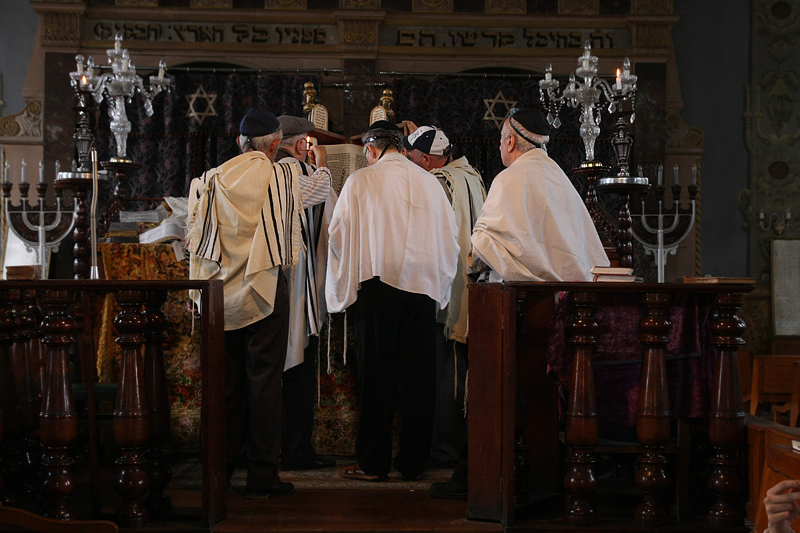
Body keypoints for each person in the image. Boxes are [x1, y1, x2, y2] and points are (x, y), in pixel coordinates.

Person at [430, 108, 609, 500]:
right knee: (539, 399)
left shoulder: (511, 178)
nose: (499, 146)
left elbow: (486, 245)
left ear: (510, 141)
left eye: (500, 140)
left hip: (518, 309)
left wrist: (473, 259)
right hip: (560, 310)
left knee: (497, 392)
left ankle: (484, 477)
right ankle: (539, 479)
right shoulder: (558, 178)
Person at [326, 120, 460, 482]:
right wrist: (440, 284)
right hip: (422, 287)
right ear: (399, 146)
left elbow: (337, 234)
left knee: (377, 379)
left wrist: (344, 281)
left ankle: (373, 463)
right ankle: (413, 463)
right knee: (419, 380)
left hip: (378, 285)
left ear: (370, 150)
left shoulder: (361, 180)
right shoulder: (428, 182)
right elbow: (451, 237)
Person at [186, 106, 300, 498]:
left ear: (239, 142)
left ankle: (218, 469)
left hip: (218, 295)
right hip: (264, 290)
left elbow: (197, 242)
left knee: (225, 385)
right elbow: (290, 233)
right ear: (273, 145)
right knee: (265, 383)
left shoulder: (210, 179)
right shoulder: (280, 175)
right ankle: (262, 476)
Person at [403, 125, 486, 470]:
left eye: (411, 160)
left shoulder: (440, 183)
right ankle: (459, 447)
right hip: (474, 283)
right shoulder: (472, 175)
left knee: (448, 372)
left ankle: (446, 451)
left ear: (428, 160)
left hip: (450, 288)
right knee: (460, 367)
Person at [276, 114, 337, 471]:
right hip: (297, 285)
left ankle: (284, 447)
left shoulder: (268, 172)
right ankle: (296, 450)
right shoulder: (293, 172)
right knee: (297, 370)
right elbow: (319, 197)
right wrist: (324, 166)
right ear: (301, 145)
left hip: (275, 285)